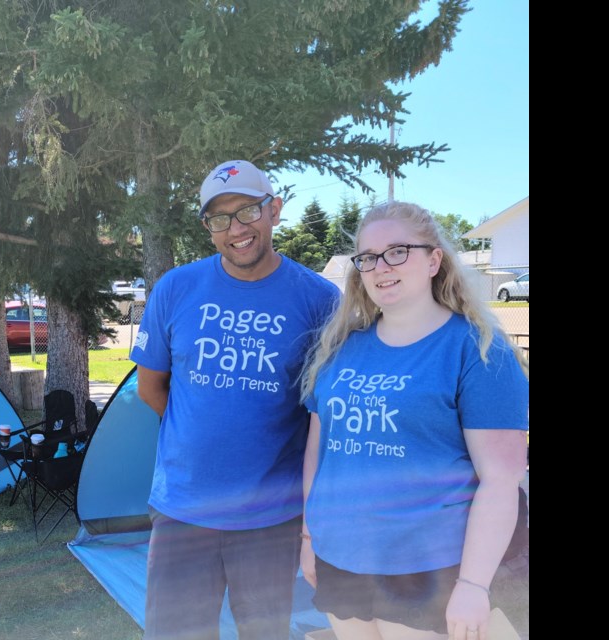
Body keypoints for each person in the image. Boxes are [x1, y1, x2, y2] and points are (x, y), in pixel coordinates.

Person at [299, 202, 529, 640]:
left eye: (398, 251)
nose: (379, 266)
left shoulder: (478, 351)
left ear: (434, 260)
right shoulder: (341, 349)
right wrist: (309, 539)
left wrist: (474, 584)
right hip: (339, 557)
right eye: (367, 257)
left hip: (430, 568)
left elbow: (501, 479)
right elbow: (318, 453)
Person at [131, 159, 340, 639]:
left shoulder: (320, 300)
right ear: (208, 228)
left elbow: (322, 414)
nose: (236, 229)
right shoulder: (176, 288)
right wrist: (205, 435)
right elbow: (150, 387)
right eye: (220, 218)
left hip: (270, 516)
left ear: (275, 210)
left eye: (247, 211)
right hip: (182, 509)